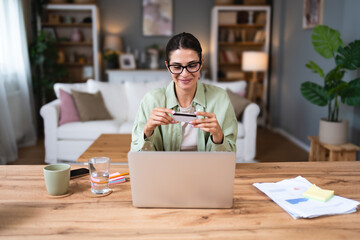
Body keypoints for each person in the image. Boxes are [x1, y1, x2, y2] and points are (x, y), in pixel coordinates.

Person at [131, 32, 237, 152]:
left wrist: (218, 136)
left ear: (201, 63)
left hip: (206, 170)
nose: (185, 74)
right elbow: (137, 156)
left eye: (192, 65)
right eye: (177, 67)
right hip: (165, 170)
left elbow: (230, 156)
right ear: (167, 66)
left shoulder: (220, 98)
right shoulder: (151, 99)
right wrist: (147, 131)